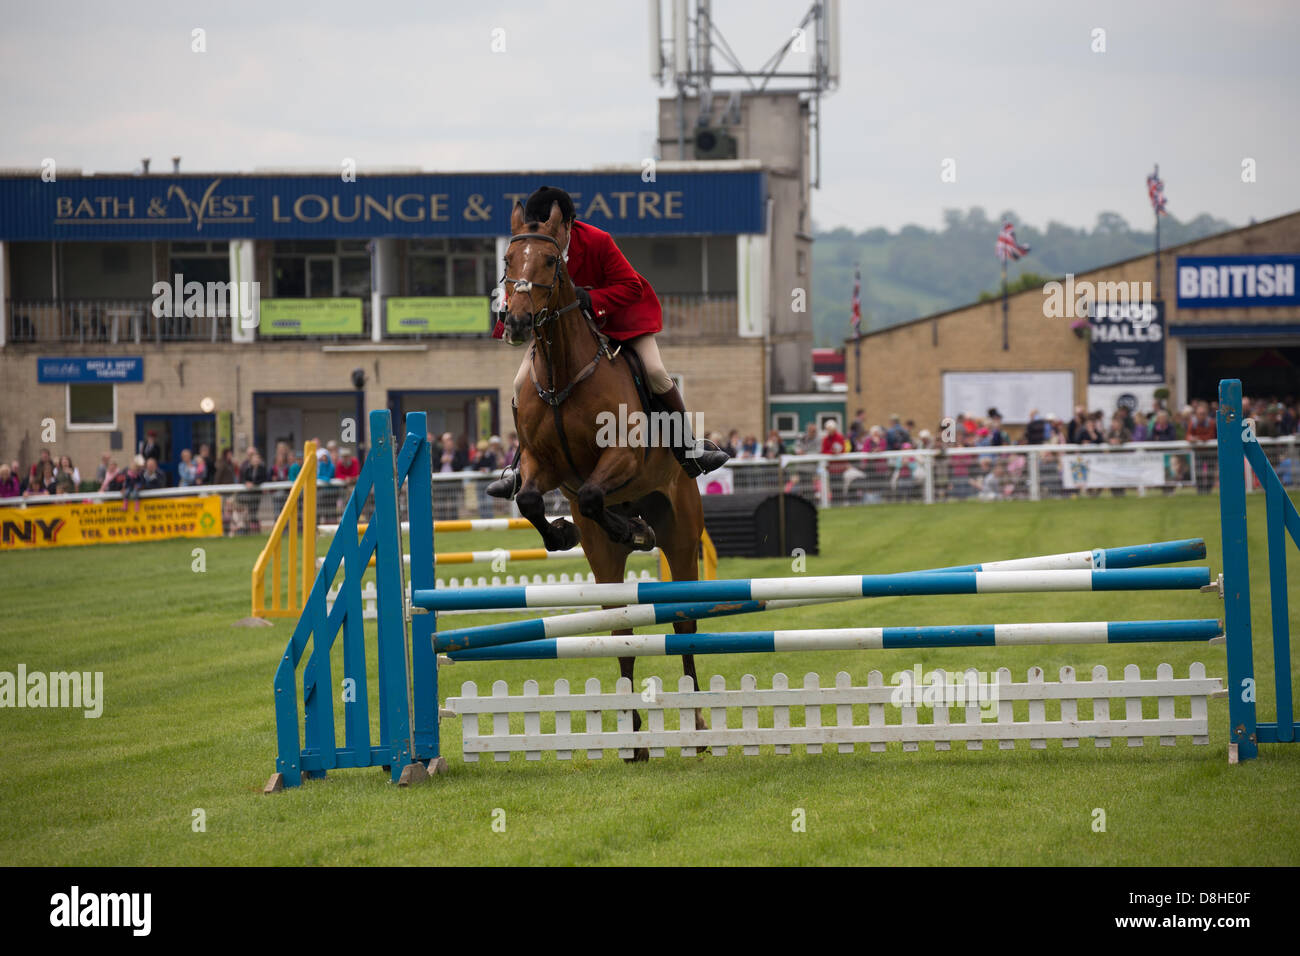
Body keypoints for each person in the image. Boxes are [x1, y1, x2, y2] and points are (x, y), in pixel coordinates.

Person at [485, 186, 728, 498]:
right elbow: (519, 283)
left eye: (549, 229)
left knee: (655, 372)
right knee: (521, 384)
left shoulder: (597, 241)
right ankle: (522, 466)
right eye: (534, 229)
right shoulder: (528, 247)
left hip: (619, 321)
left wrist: (591, 298)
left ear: (567, 225)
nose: (540, 235)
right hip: (559, 331)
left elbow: (631, 287)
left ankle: (688, 447)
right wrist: (510, 316)